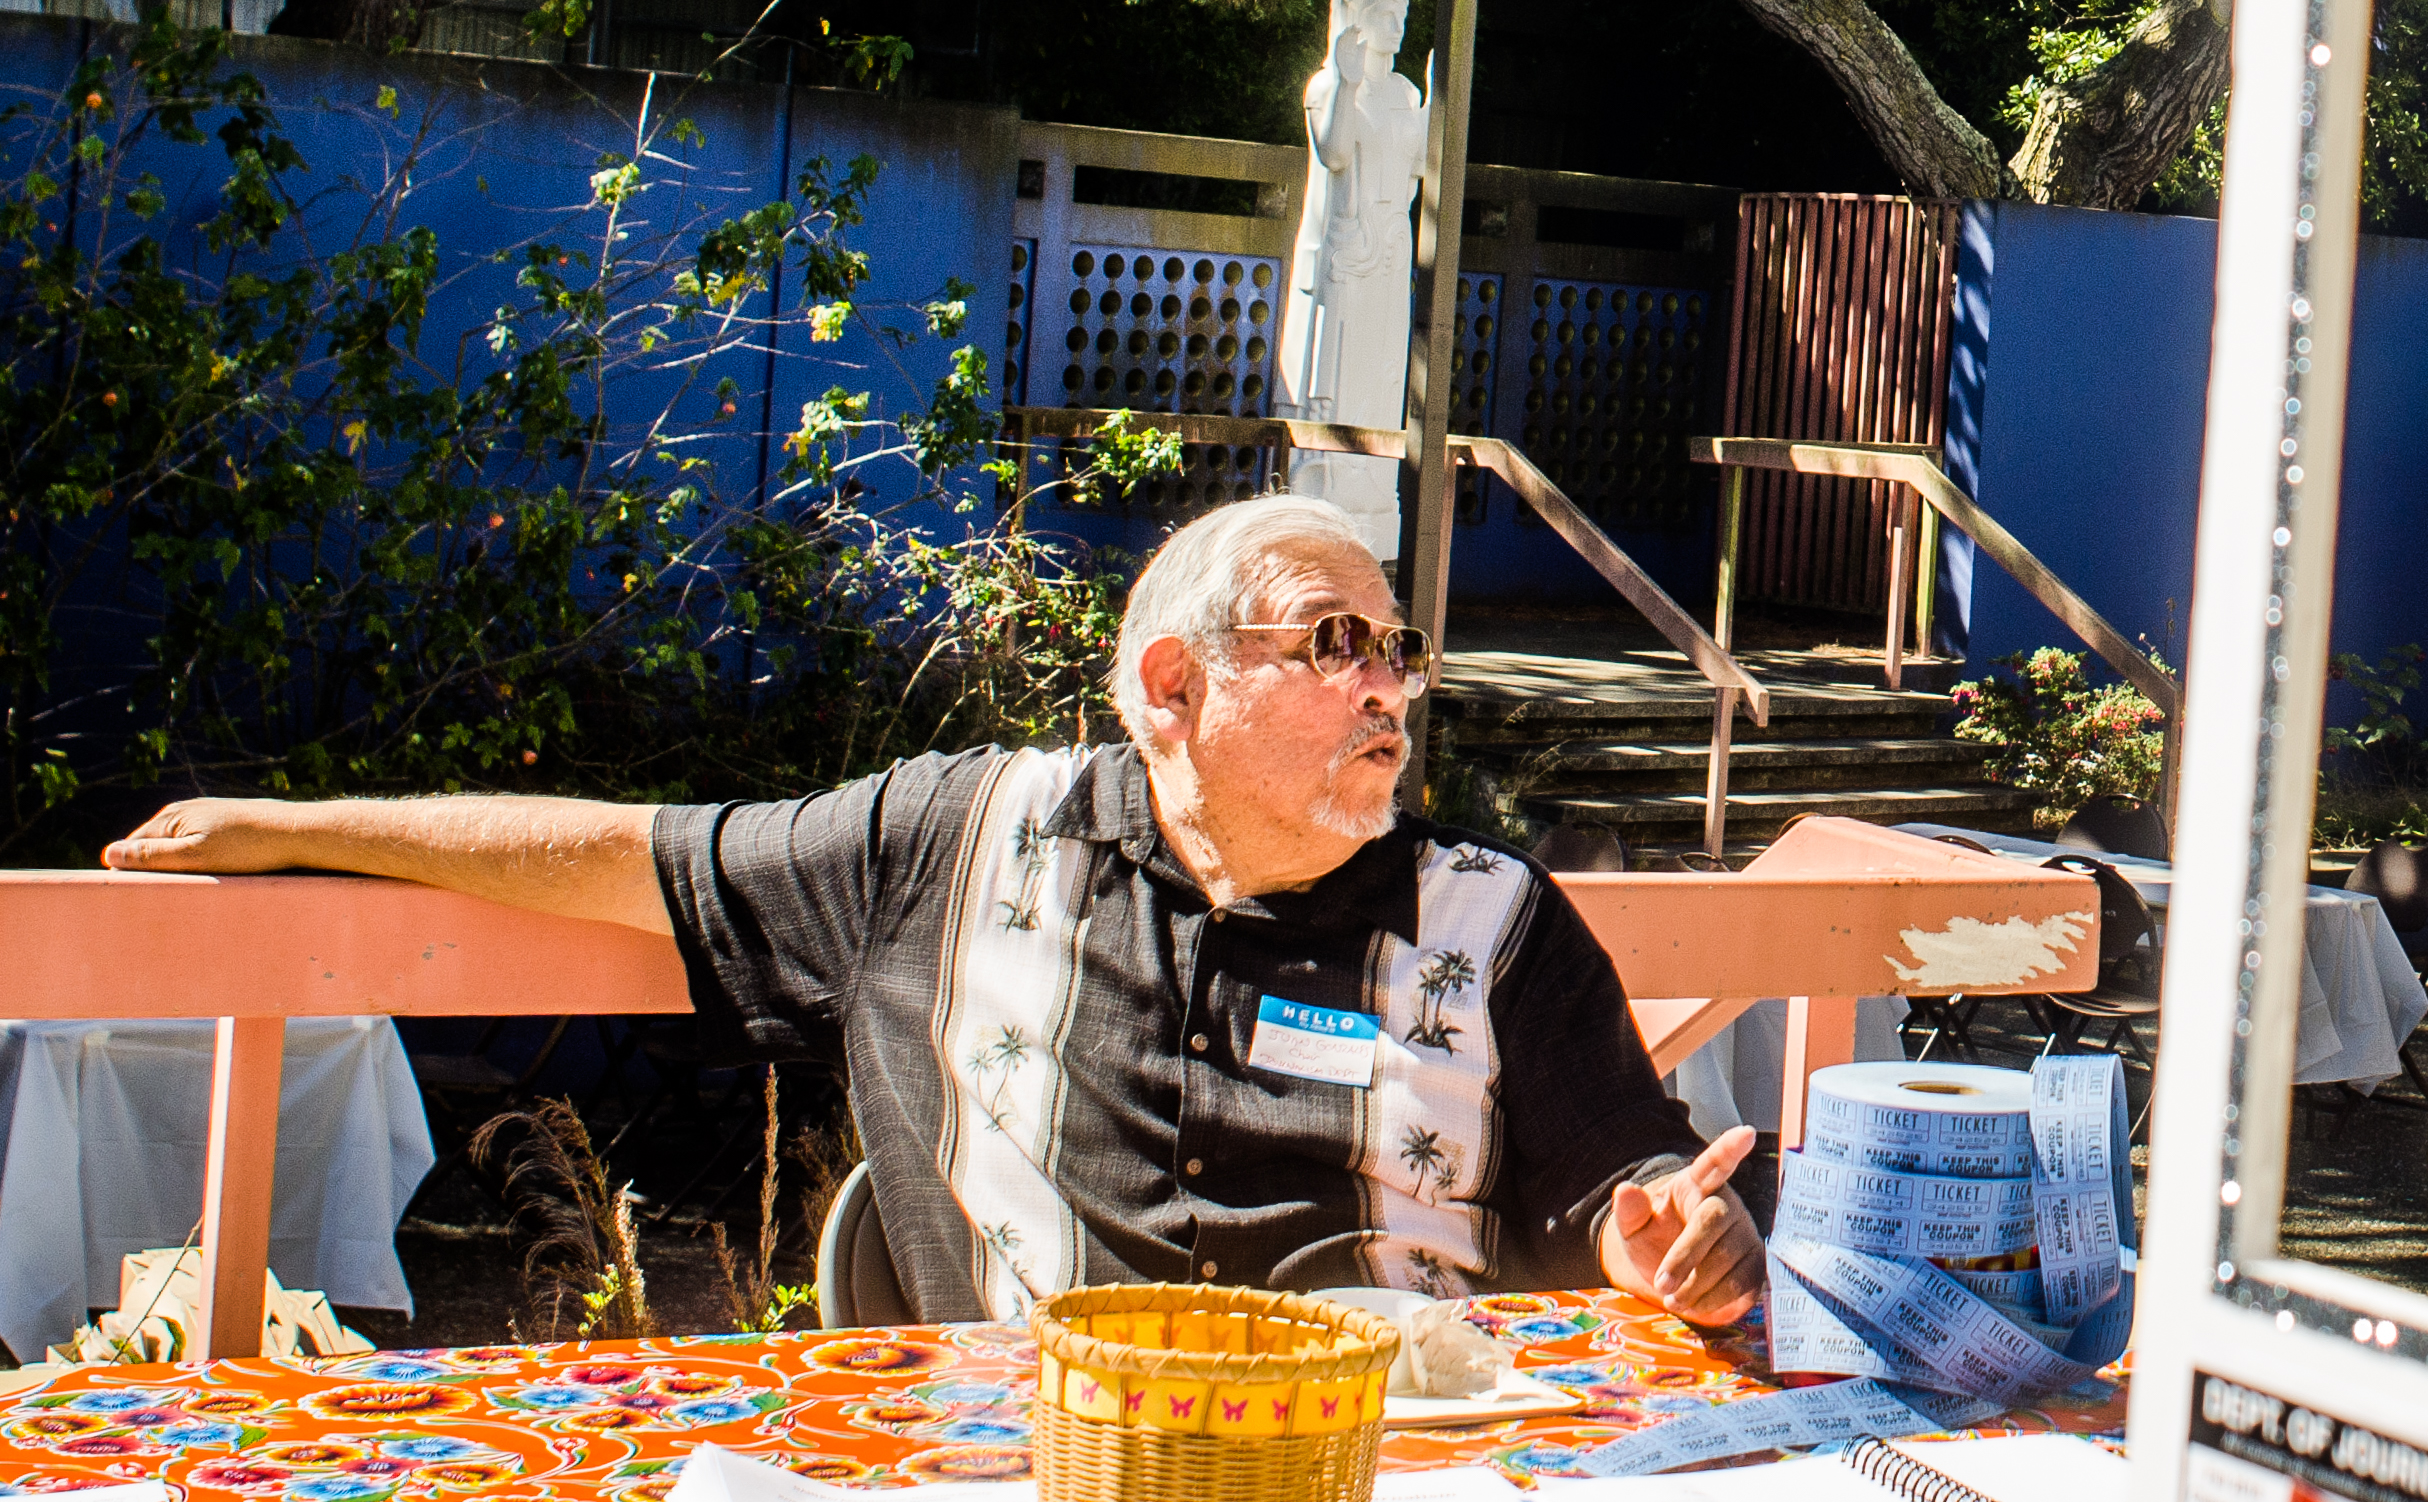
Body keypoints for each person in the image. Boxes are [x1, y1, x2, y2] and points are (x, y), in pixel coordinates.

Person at [104, 494, 1760, 1328]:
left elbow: (1622, 1177)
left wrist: (1660, 1235)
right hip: (1029, 1501)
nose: (1391, 688)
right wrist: (292, 825)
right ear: (1173, 688)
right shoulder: (958, 845)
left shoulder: (1497, 918)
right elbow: (634, 853)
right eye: (1340, 645)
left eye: (1400, 651)